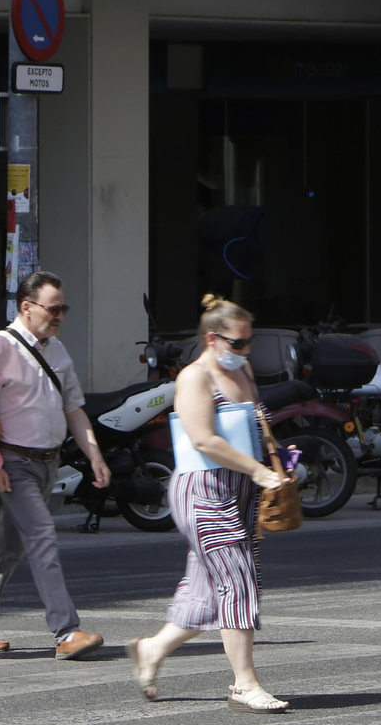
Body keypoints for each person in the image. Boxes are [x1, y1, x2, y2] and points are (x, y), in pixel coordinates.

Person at [126, 295, 289, 713]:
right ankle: (244, 684)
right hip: (202, 491)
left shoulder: (244, 369)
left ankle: (151, 649)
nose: (245, 351)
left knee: (206, 591)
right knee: (237, 578)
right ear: (212, 338)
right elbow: (203, 439)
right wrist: (257, 471)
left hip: (242, 489)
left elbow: (256, 421)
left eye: (249, 342)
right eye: (237, 343)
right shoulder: (194, 378)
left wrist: (278, 460)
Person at [0, 271, 109, 660]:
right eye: (53, 309)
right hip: (14, 460)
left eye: (63, 309)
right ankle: (66, 631)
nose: (59, 316)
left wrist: (94, 455)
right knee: (42, 539)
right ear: (27, 307)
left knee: (8, 547)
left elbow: (73, 408)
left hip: (48, 462)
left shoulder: (56, 349)